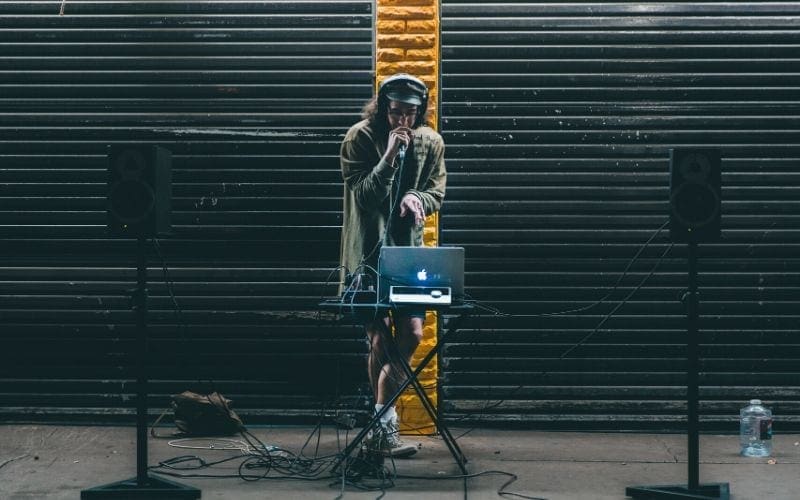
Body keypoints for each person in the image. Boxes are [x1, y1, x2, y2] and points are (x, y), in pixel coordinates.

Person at [339, 73, 446, 458]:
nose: (403, 122)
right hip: (365, 254)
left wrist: (418, 197)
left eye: (411, 115)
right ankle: (384, 428)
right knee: (380, 338)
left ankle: (378, 421)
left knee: (413, 333)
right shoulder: (360, 137)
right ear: (384, 108)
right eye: (396, 113)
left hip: (407, 255)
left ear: (421, 111)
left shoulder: (431, 141)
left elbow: (438, 190)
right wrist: (388, 156)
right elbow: (365, 196)